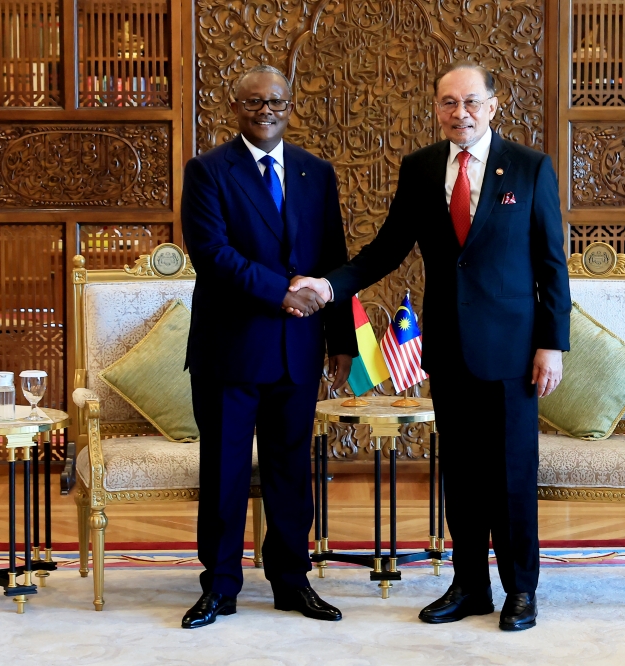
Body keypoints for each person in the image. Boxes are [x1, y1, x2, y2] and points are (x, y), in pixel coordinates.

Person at [289, 62, 571, 632]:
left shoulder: (530, 168)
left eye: (470, 102)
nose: (458, 113)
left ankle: (522, 590)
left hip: (515, 353)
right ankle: (469, 586)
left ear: (494, 105)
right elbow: (385, 250)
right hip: (448, 348)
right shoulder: (419, 168)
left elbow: (551, 266)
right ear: (436, 107)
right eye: (447, 103)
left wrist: (552, 344)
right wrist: (327, 285)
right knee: (462, 474)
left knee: (512, 475)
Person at [180, 64, 355, 628]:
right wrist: (283, 294)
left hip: (297, 351)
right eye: (254, 102)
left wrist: (341, 340)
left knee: (289, 472)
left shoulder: (315, 172)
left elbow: (334, 258)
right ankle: (221, 586)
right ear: (236, 108)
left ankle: (291, 581)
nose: (266, 110)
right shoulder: (207, 171)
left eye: (275, 101)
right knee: (226, 472)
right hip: (229, 353)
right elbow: (213, 255)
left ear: (289, 105)